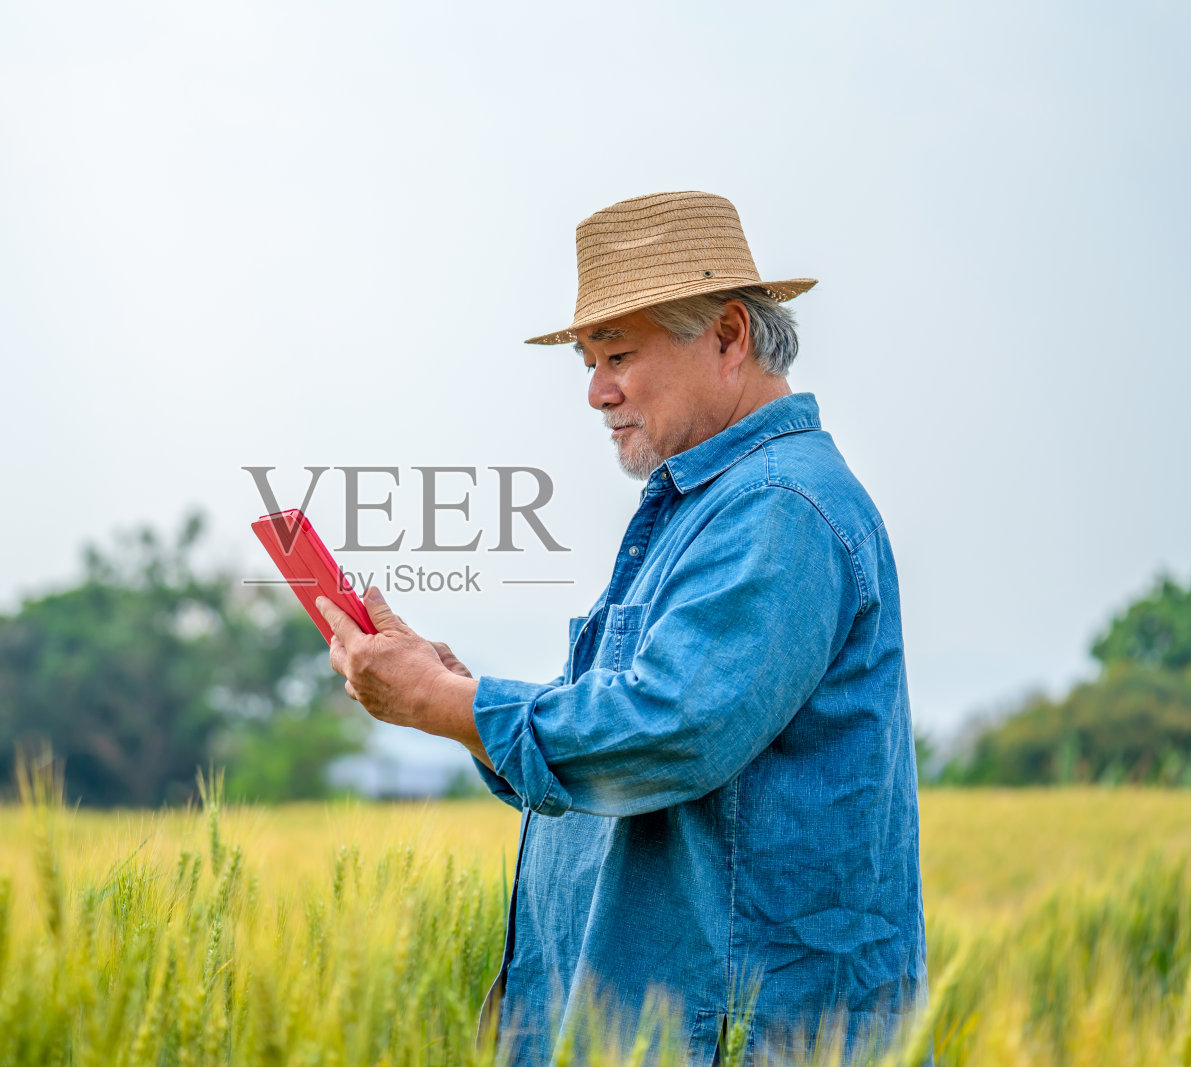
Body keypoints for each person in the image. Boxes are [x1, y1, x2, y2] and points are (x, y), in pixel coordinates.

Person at [315, 191, 927, 1067]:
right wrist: (457, 692)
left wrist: (449, 706)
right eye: (589, 361)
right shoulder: (714, 503)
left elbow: (670, 729)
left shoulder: (777, 508)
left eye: (618, 354)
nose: (598, 391)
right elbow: (617, 731)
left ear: (728, 335)